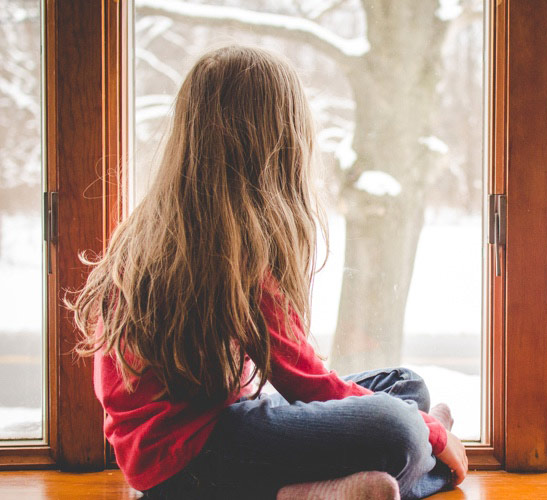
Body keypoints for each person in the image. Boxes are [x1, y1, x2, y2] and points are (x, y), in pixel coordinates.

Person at [67, 45, 468, 500]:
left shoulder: (156, 230)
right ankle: (326, 490)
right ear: (276, 147)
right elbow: (309, 385)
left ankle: (323, 488)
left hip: (188, 448)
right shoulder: (232, 255)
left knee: (404, 386)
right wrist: (432, 434)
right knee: (401, 431)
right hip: (192, 464)